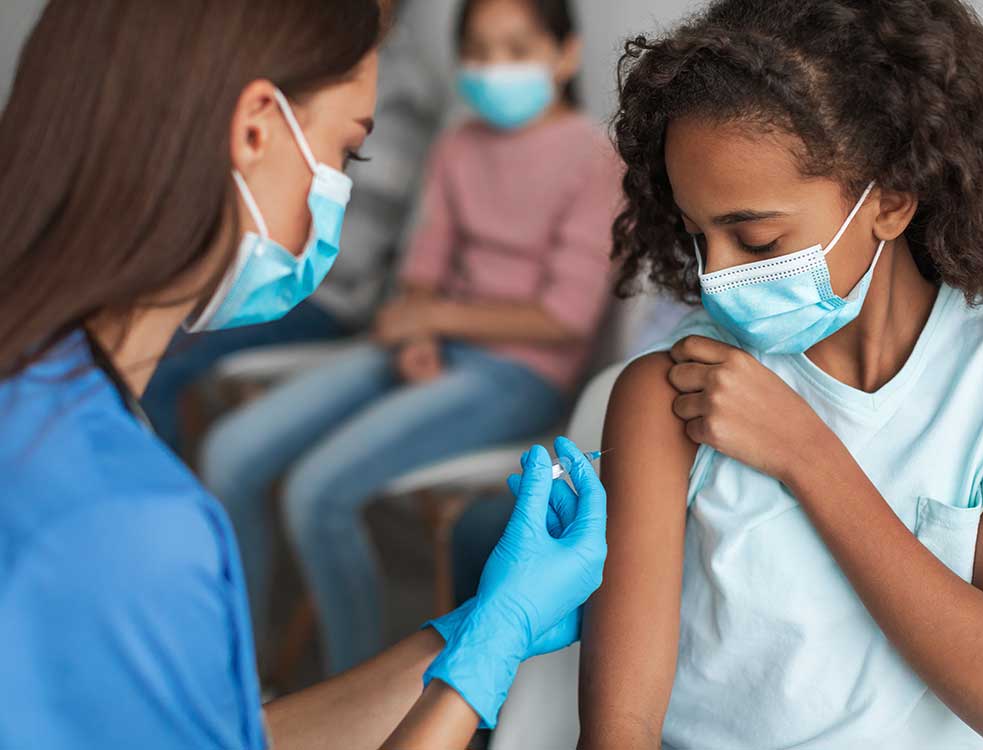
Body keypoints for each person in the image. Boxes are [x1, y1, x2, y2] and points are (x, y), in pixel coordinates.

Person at [0, 2, 607, 749]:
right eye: (349, 153)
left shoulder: (48, 400)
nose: (337, 196)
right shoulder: (130, 526)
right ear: (256, 129)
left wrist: (471, 636)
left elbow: (233, 738)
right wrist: (486, 661)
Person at [578, 1, 983, 749]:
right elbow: (621, 730)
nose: (718, 279)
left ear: (891, 201)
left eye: (756, 237)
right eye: (698, 235)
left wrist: (808, 456)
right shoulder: (672, 395)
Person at [200, 0, 619, 675]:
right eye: (478, 51)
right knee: (229, 452)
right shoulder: (459, 146)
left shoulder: (594, 158)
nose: (493, 67)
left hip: (516, 375)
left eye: (516, 48)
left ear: (565, 54)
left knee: (317, 495)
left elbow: (563, 316)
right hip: (424, 346)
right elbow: (424, 269)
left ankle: (353, 689)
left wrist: (434, 320)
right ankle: (237, 672)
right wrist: (417, 329)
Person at [138, 0, 457, 455]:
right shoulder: (291, 57)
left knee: (164, 359)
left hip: (325, 300)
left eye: (353, 152)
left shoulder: (400, 87)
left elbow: (348, 256)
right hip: (261, 263)